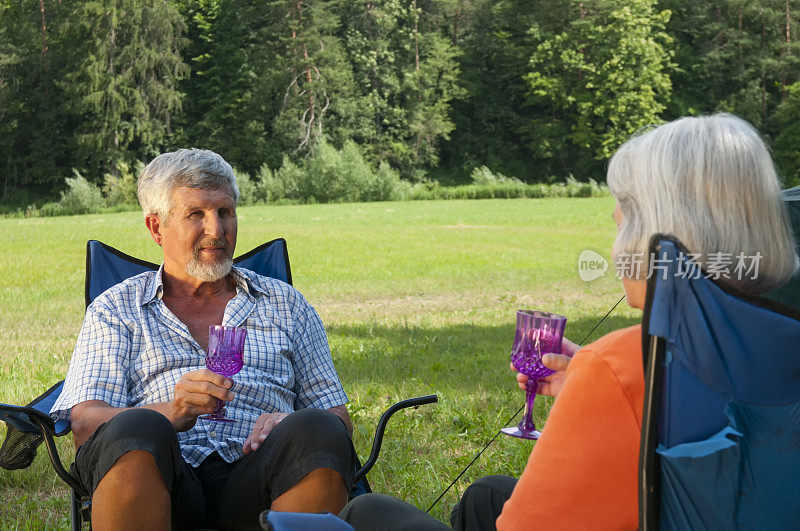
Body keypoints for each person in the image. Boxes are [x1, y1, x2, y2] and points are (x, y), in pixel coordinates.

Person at [339, 114, 799, 530]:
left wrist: (601, 383)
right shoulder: (782, 342)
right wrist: (588, 389)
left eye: (622, 218)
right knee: (487, 495)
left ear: (653, 235)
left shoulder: (626, 362)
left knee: (367, 512)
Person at [51, 149, 356, 530]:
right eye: (196, 214)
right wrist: (171, 413)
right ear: (156, 228)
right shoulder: (117, 309)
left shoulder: (286, 304)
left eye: (225, 212)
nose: (216, 230)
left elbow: (337, 418)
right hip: (164, 477)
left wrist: (287, 421)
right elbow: (84, 423)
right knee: (136, 427)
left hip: (262, 477)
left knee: (317, 428)